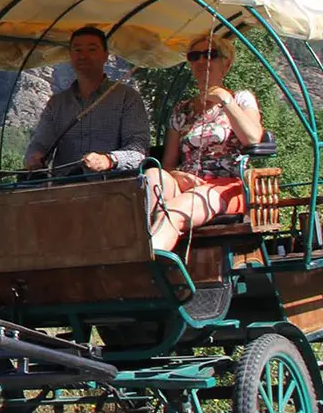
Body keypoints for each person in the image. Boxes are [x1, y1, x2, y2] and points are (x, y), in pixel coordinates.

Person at [146, 33, 265, 251]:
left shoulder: (240, 100)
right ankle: (141, 242)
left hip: (225, 187)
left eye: (210, 55)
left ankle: (147, 265)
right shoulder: (182, 110)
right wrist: (176, 175)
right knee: (152, 177)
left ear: (226, 63)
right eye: (194, 56)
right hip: (186, 184)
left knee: (172, 211)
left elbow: (253, 138)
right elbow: (169, 162)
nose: (201, 61)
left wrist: (224, 100)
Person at [23, 26, 151, 176]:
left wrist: (108, 160)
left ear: (105, 56)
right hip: (64, 188)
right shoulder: (57, 104)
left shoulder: (127, 98)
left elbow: (139, 149)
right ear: (70, 56)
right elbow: (40, 144)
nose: (83, 56)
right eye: (77, 50)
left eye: (91, 50)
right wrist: (35, 158)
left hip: (114, 187)